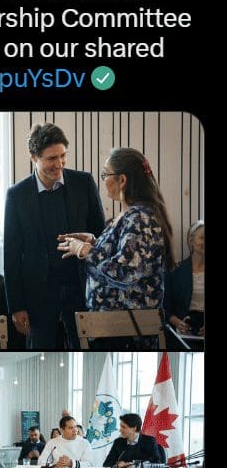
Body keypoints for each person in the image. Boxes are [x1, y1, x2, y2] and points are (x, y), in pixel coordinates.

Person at [58, 147, 175, 349]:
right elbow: (122, 254)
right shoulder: (130, 215)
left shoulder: (139, 218)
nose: (103, 179)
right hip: (115, 328)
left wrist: (85, 250)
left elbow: (127, 272)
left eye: (105, 174)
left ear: (122, 180)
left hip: (128, 332)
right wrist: (94, 241)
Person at [4, 123, 106, 349]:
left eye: (62, 156)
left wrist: (86, 241)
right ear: (34, 157)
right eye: (51, 158)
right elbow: (11, 255)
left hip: (82, 287)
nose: (59, 164)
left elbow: (101, 235)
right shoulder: (16, 195)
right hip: (38, 295)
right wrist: (16, 307)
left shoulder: (84, 183)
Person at [166, 220, 204, 338]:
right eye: (202, 238)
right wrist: (177, 322)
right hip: (182, 332)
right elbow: (165, 307)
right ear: (191, 241)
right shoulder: (175, 271)